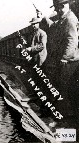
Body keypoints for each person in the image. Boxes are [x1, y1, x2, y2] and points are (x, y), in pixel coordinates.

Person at [42, 0, 79, 128]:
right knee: (63, 92)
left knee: (62, 92)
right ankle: (65, 121)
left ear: (64, 5)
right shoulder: (64, 18)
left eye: (59, 7)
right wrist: (46, 18)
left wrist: (64, 58)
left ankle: (64, 124)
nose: (57, 10)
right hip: (67, 61)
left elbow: (72, 40)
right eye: (57, 7)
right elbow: (55, 27)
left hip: (69, 62)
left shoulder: (70, 19)